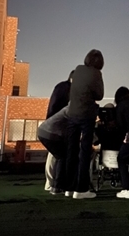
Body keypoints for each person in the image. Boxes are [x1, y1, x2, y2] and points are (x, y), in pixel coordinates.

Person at [65, 49, 104, 199]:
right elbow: (99, 95)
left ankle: (69, 188)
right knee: (84, 152)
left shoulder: (78, 70)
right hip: (86, 115)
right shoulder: (96, 74)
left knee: (71, 151)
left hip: (72, 114)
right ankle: (81, 190)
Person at [44, 70, 75, 195]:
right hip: (58, 125)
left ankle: (51, 183)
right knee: (58, 155)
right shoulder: (67, 89)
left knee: (54, 155)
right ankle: (54, 184)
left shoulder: (61, 86)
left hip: (53, 124)